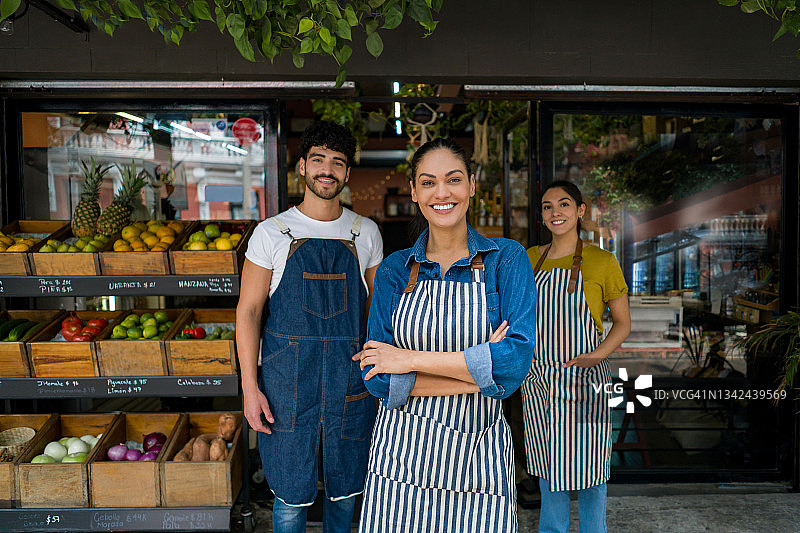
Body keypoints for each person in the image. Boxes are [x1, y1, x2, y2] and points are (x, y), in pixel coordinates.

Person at [353, 138, 537, 532]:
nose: (442, 193)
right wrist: (478, 378)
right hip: (400, 459)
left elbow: (515, 363)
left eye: (453, 180)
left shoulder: (507, 259)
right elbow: (378, 378)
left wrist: (409, 360)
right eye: (428, 182)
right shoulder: (393, 270)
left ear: (471, 185)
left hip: (478, 457)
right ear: (415, 192)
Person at [236, 121, 383, 533]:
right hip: (286, 385)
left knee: (347, 491)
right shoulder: (271, 233)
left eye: (338, 163)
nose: (327, 170)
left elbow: (378, 314)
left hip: (350, 380)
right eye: (318, 159)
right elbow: (247, 312)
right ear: (302, 166)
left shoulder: (365, 232)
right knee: (289, 496)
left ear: (347, 173)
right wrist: (250, 388)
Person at [521, 180, 631, 533]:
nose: (556, 213)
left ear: (580, 211)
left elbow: (623, 324)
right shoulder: (528, 258)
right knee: (550, 472)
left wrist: (594, 356)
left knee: (591, 472)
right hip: (540, 381)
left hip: (586, 380)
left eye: (564, 204)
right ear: (541, 215)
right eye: (548, 207)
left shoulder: (602, 261)